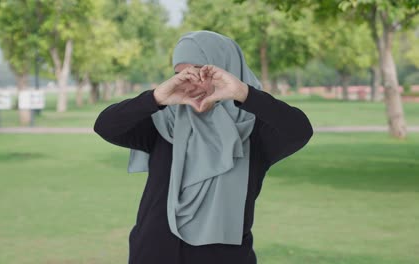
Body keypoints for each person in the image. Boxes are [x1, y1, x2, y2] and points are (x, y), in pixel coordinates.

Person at [94, 30, 313, 264]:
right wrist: (156, 97)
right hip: (152, 253)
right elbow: (106, 126)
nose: (189, 81)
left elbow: (299, 130)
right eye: (180, 73)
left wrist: (243, 94)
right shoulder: (162, 122)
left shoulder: (254, 129)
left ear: (225, 69)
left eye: (200, 70)